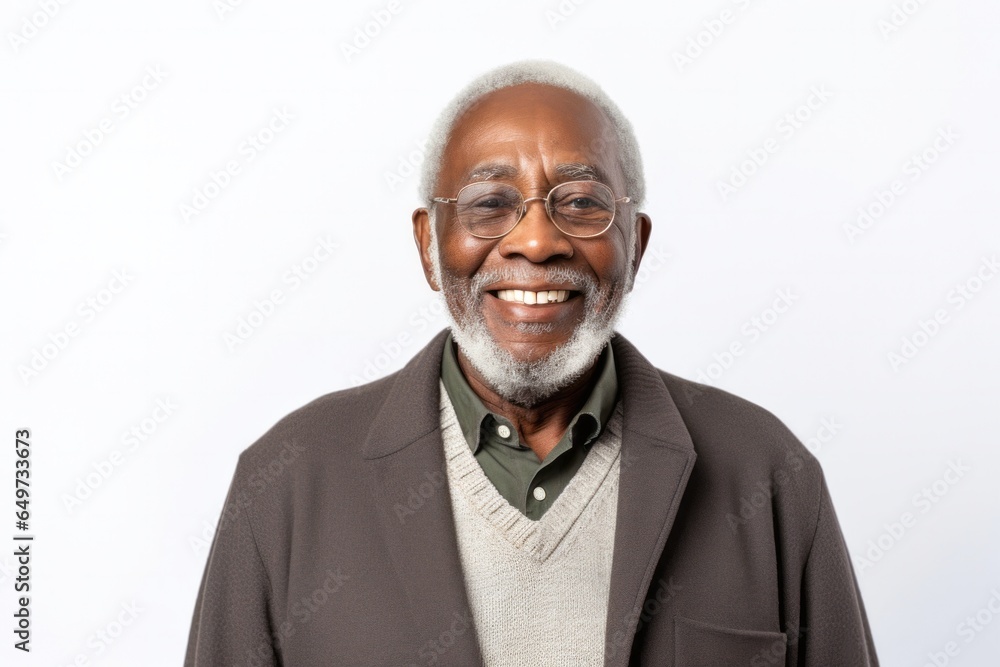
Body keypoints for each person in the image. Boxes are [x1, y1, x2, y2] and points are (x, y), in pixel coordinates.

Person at [184, 60, 879, 666]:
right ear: (429, 244)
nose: (538, 241)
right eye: (490, 203)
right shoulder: (286, 483)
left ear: (635, 245)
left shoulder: (768, 473)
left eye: (580, 203)